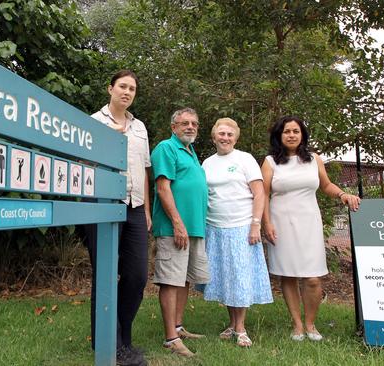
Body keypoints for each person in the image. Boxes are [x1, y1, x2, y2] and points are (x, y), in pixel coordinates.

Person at [261, 115, 360, 341]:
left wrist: (343, 194)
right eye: (287, 131)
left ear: (303, 135)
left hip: (309, 223)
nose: (292, 135)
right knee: (288, 275)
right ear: (279, 135)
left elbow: (325, 185)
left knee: (313, 278)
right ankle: (297, 325)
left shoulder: (314, 159)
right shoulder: (269, 162)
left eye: (296, 131)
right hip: (281, 223)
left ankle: (311, 324)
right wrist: (266, 223)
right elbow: (263, 194)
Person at [85, 70, 151, 366]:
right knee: (106, 275)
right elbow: (80, 163)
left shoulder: (140, 127)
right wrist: (105, 143)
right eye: (122, 86)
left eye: (132, 89)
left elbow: (144, 171)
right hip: (102, 205)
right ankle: (110, 343)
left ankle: (122, 335)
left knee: (136, 276)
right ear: (109, 88)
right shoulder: (93, 123)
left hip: (135, 207)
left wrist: (147, 210)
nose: (127, 92)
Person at [201, 118, 273, 347]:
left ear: (236, 137)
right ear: (214, 137)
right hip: (215, 227)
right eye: (221, 134)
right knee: (226, 278)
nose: (225, 138)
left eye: (229, 134)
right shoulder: (207, 163)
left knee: (240, 277)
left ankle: (241, 327)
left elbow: (259, 194)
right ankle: (231, 323)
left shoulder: (245, 159)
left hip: (241, 226)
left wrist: (255, 224)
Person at [151, 108, 210, 357]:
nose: (190, 127)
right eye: (184, 123)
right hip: (174, 228)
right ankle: (170, 339)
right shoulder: (166, 148)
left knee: (184, 278)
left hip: (194, 228)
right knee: (170, 280)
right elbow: (163, 188)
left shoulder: (191, 152)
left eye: (194, 123)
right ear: (173, 127)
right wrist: (177, 222)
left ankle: (178, 326)